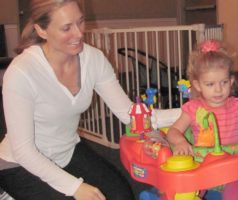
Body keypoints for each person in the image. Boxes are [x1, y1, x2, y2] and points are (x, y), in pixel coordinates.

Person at [0, 0, 180, 199]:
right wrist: (74, 187)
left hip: (67, 150)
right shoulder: (22, 71)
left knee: (121, 196)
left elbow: (129, 115)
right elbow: (24, 151)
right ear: (42, 31)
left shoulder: (93, 59)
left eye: (80, 22)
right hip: (20, 164)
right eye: (66, 28)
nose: (78, 34)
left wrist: (189, 111)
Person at [166, 39, 238, 200]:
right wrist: (180, 142)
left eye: (224, 82)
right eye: (210, 84)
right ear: (198, 85)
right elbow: (173, 131)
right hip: (201, 166)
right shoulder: (193, 108)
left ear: (231, 81)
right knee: (184, 193)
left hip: (233, 169)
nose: (218, 89)